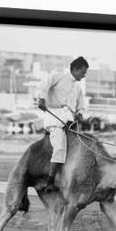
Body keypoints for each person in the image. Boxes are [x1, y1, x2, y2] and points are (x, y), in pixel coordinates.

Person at [36, 56, 89, 192]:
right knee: (60, 147)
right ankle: (50, 182)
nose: (84, 75)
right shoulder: (57, 76)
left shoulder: (78, 88)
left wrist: (80, 114)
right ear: (75, 69)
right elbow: (43, 85)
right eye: (82, 72)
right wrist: (41, 98)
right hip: (55, 119)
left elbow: (81, 106)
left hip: (71, 122)